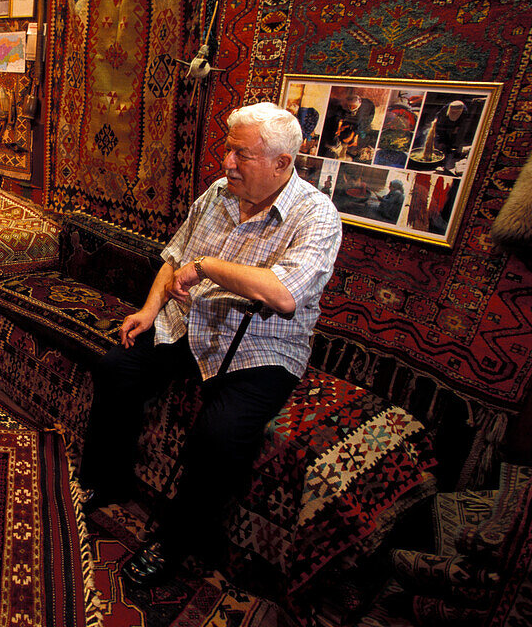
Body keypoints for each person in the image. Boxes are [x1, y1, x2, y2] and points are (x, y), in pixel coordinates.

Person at [78, 102, 342, 586]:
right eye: (228, 148)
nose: (227, 162)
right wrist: (150, 310)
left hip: (261, 346)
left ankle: (177, 542)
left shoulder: (317, 217)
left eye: (242, 154)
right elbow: (174, 256)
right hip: (190, 323)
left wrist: (208, 268)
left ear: (283, 163)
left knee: (218, 438)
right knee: (118, 366)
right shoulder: (218, 193)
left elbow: (283, 296)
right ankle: (104, 478)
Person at [320, 87, 375, 159]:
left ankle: (350, 140)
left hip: (366, 118)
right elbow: (340, 117)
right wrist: (338, 129)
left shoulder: (365, 110)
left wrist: (352, 136)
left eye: (353, 107)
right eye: (350, 106)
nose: (351, 108)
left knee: (361, 131)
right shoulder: (344, 105)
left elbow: (360, 124)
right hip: (350, 122)